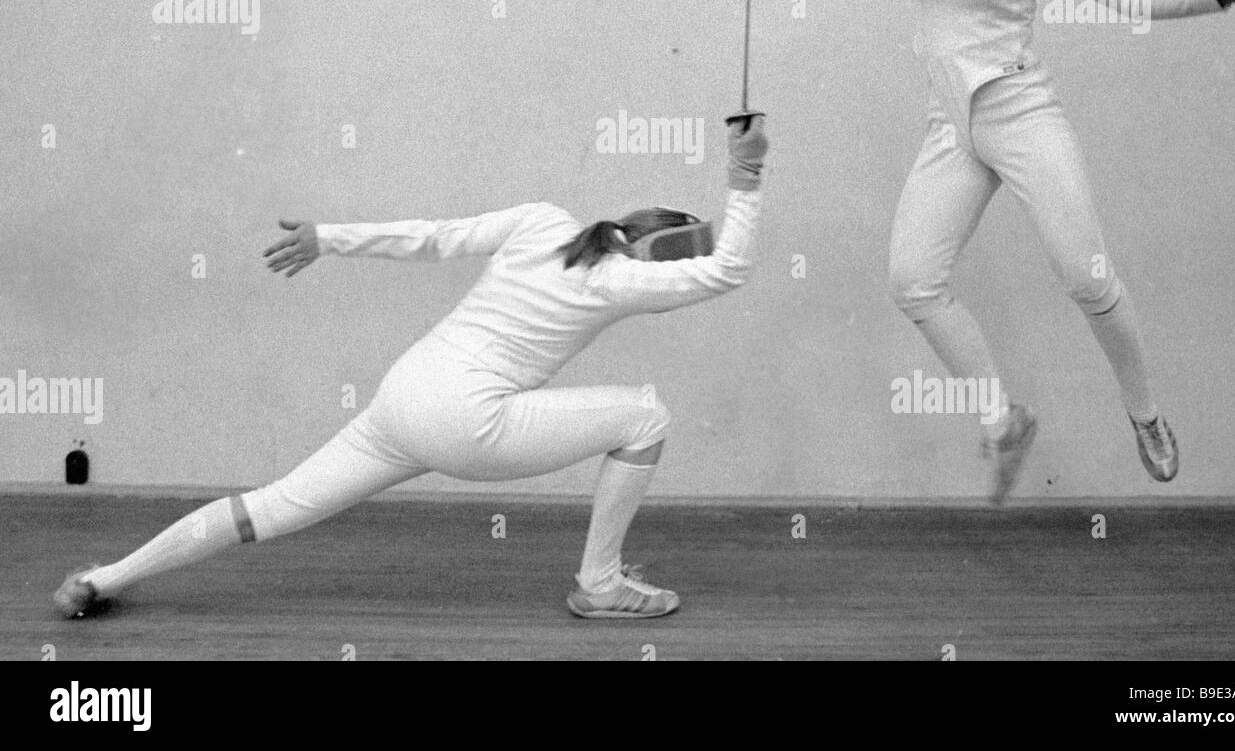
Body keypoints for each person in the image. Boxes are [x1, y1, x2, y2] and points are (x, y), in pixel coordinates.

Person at [772, 0, 1235, 502]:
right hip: (952, 128)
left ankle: (1145, 415)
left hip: (1021, 114)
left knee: (1086, 275)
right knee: (913, 280)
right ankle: (1000, 419)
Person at [55, 117, 769, 619]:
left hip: (403, 397)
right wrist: (746, 176)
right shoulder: (619, 281)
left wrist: (326, 237)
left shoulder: (543, 223)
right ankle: (601, 583)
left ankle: (102, 578)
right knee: (645, 416)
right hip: (468, 424)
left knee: (268, 508)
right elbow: (730, 269)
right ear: (658, 255)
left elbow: (433, 238)